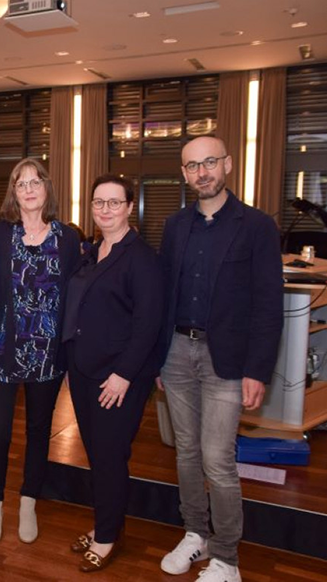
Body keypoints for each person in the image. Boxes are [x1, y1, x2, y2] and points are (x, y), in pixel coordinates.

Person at [157, 136, 283, 582]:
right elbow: (165, 296)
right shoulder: (175, 225)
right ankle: (195, 534)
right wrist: (158, 357)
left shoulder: (257, 225)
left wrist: (257, 370)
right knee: (186, 453)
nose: (201, 172)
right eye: (192, 166)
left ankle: (227, 558)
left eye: (209, 162)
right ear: (185, 174)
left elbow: (269, 304)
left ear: (227, 164)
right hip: (176, 353)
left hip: (226, 359)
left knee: (217, 460)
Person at [62, 174, 164, 573]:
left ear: (129, 207)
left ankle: (106, 538)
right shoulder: (93, 251)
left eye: (114, 202)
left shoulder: (142, 258)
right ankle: (107, 525)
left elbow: (148, 323)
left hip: (119, 379)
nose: (105, 209)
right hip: (85, 372)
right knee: (98, 456)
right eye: (98, 203)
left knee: (109, 457)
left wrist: (123, 374)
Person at [0, 158, 81, 545]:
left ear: (46, 188)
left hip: (47, 354)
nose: (29, 188)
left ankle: (27, 502)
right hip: (1, 352)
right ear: (13, 192)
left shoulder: (68, 238)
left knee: (39, 431)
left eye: (36, 180)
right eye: (21, 183)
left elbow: (75, 296)